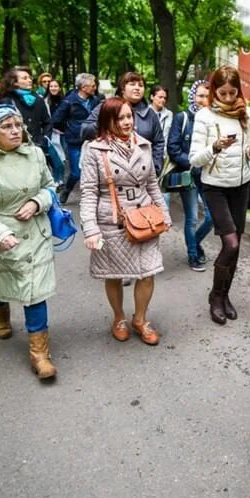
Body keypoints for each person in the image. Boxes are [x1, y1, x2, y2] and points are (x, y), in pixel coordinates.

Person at [0, 104, 59, 380]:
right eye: (6, 127)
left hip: (35, 231)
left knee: (35, 290)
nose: (15, 131)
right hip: (0, 233)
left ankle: (40, 354)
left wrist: (36, 202)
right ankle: (1, 316)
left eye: (18, 125)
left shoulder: (36, 154)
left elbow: (50, 187)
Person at [79, 97, 171, 346]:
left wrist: (164, 213)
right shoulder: (95, 151)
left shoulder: (144, 145)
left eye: (129, 116)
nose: (127, 122)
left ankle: (140, 319)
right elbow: (88, 192)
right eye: (120, 118)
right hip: (113, 221)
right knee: (114, 275)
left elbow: (152, 183)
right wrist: (90, 229)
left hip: (144, 218)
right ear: (107, 121)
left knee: (148, 273)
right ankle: (119, 317)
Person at [189, 65, 250, 325]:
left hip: (241, 185)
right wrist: (215, 147)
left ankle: (225, 295)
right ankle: (215, 297)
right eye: (223, 93)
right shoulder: (204, 117)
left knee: (236, 246)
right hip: (215, 187)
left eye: (233, 93)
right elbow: (194, 160)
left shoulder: (246, 113)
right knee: (230, 243)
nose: (229, 98)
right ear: (214, 91)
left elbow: (246, 150)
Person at [166, 79, 213, 271]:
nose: (203, 100)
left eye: (207, 96)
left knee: (212, 218)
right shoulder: (182, 118)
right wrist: (193, 162)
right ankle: (193, 255)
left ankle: (194, 242)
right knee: (192, 218)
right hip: (189, 175)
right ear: (193, 95)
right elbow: (173, 148)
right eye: (200, 95)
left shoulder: (213, 119)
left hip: (209, 176)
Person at [81, 71, 164, 176]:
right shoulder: (106, 106)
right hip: (111, 173)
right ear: (122, 88)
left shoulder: (150, 114)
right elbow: (85, 130)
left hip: (142, 174)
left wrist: (156, 168)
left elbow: (159, 142)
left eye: (141, 85)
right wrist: (108, 121)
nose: (137, 88)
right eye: (132, 84)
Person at [52, 73, 100, 203]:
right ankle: (67, 190)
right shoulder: (69, 101)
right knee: (76, 173)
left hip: (92, 140)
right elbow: (56, 119)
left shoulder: (96, 100)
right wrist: (69, 129)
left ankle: (92, 198)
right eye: (92, 85)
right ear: (83, 87)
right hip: (74, 141)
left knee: (96, 170)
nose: (95, 87)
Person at [0, 67, 52, 153]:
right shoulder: (6, 100)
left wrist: (45, 139)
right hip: (15, 149)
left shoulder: (38, 99)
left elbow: (47, 122)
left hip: (37, 148)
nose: (29, 80)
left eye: (30, 78)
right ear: (14, 82)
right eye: (25, 78)